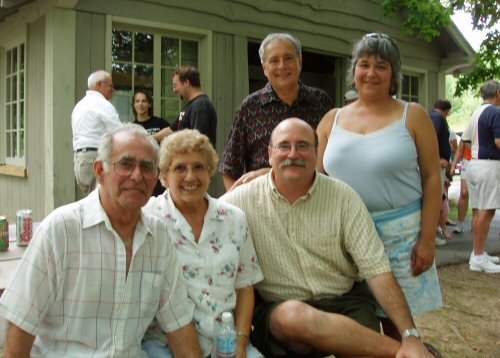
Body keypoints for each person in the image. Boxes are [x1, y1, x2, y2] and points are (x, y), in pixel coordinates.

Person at [222, 118, 438, 358]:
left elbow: (378, 271)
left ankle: (410, 349)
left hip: (345, 303)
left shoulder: (344, 198)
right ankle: (406, 354)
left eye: (303, 146)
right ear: (270, 154)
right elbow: (201, 214)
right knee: (293, 316)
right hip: (281, 312)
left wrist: (410, 333)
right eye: (284, 146)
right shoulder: (241, 201)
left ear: (316, 153)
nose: (293, 154)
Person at [0, 124, 202, 357]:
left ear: (156, 177)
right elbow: (20, 325)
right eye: (126, 164)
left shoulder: (159, 239)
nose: (137, 176)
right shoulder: (61, 230)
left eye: (147, 167)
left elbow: (179, 324)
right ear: (99, 171)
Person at [316, 33, 443, 339]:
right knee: (355, 324)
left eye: (381, 66)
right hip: (345, 237)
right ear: (354, 71)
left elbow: (432, 177)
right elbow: (314, 178)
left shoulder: (412, 116)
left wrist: (427, 238)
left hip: (400, 235)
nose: (371, 72)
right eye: (364, 64)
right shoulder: (331, 119)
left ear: (393, 74)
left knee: (398, 324)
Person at [141, 129, 264, 358]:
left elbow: (245, 286)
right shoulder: (147, 218)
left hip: (225, 342)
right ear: (164, 176)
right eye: (179, 168)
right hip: (165, 344)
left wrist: (241, 340)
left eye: (198, 167)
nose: (190, 177)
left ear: (210, 172)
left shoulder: (234, 219)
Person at [219, 32, 334, 191]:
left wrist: (270, 173)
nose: (282, 66)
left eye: (288, 58)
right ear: (265, 68)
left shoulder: (322, 103)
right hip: (263, 206)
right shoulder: (250, 108)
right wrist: (238, 207)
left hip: (313, 203)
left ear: (299, 62)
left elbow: (332, 163)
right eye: (274, 60)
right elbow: (229, 169)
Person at [460, 79, 500, 273]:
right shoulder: (495, 112)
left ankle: (478, 253)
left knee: (478, 211)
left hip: (473, 164)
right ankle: (477, 257)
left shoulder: (475, 112)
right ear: (498, 93)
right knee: (487, 211)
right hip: (488, 165)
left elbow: (466, 140)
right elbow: (499, 141)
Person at [72, 70, 122, 196]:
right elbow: (119, 133)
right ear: (100, 84)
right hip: (96, 157)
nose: (113, 89)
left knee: (89, 201)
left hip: (80, 160)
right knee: (99, 202)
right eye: (110, 86)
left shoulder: (79, 105)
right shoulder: (103, 105)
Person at [152, 65, 217, 146]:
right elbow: (171, 130)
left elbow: (198, 141)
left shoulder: (200, 106)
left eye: (175, 85)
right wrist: (146, 140)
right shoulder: (190, 106)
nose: (174, 90)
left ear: (186, 82)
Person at [132, 89, 170, 196]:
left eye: (144, 101)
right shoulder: (132, 127)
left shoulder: (160, 123)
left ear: (149, 104)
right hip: (142, 170)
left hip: (160, 169)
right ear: (134, 105)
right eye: (137, 101)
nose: (140, 104)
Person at [429, 99, 453, 243]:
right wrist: (438, 158)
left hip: (438, 163)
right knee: (436, 198)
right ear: (447, 110)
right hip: (437, 164)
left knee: (439, 198)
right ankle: (434, 233)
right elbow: (433, 137)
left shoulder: (431, 116)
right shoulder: (438, 118)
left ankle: (437, 230)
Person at [450, 133, 472, 233]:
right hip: (467, 162)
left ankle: (476, 222)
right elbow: (460, 149)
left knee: (480, 195)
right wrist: (453, 165)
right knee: (464, 192)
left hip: (483, 161)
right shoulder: (470, 128)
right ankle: (460, 223)